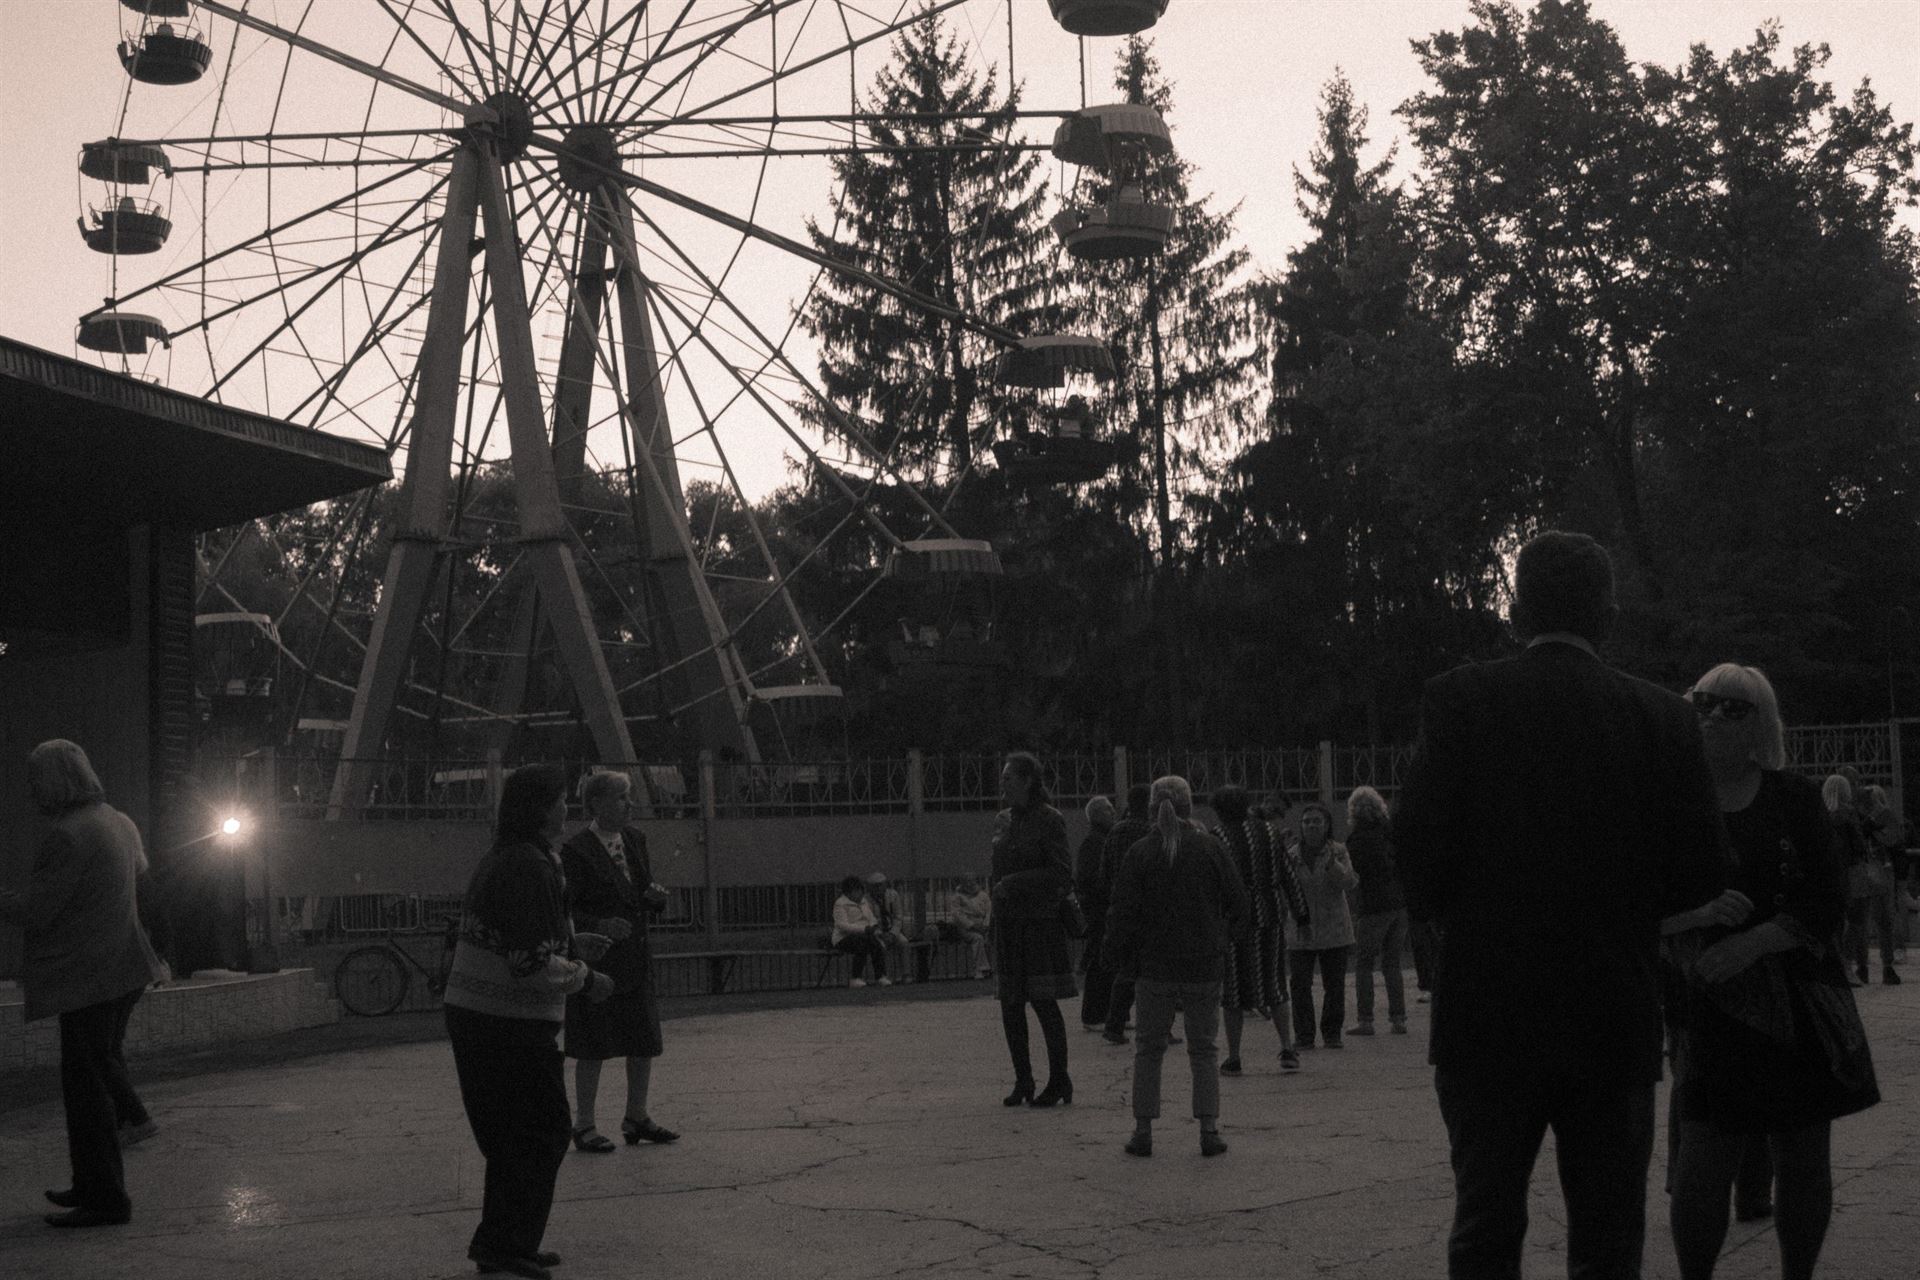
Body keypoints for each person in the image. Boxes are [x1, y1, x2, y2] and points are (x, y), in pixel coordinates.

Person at [1394, 530, 1731, 1279]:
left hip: (1486, 1008)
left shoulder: (1459, 700)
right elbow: (1703, 870)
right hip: (1611, 1007)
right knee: (1609, 1233)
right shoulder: (1662, 718)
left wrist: (1468, 913)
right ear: (1609, 618)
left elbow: (1416, 851)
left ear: (1516, 614)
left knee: (1484, 1224)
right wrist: (1627, 910)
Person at [1668, 665, 1879, 1280]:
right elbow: (1634, 898)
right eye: (1703, 701)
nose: (1712, 715)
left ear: (1760, 724)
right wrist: (1698, 917)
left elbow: (1827, 899)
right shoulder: (1673, 801)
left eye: (1732, 707)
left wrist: (1754, 942)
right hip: (1711, 1000)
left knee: (1804, 1157)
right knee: (1703, 1157)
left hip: (1798, 1000)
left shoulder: (1794, 797)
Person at [443, 764, 615, 1280]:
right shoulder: (528, 866)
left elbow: (524, 937)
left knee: (513, 1135)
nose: (567, 809)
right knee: (543, 1131)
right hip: (505, 1022)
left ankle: (503, 1243)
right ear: (540, 809)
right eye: (560, 800)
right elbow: (529, 963)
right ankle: (507, 1243)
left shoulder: (517, 857)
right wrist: (587, 978)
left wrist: (572, 945)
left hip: (484, 1017)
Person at [0, 740, 167, 1229]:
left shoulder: (67, 835)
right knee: (91, 1081)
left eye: (36, 779)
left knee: (86, 1092)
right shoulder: (112, 820)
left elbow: (39, 910)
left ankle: (105, 1198)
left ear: (55, 780)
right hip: (117, 970)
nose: (31, 789)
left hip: (87, 978)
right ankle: (92, 1186)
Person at [1105, 775, 1250, 1157]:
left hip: (1155, 965)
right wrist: (1222, 938)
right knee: (1204, 1050)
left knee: (1148, 1050)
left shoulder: (1140, 852)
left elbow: (1122, 911)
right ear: (1190, 806)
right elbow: (1240, 902)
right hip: (1203, 963)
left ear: (1152, 809)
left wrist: (1120, 957)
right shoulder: (1210, 847)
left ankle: (1143, 1131)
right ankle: (1208, 1129)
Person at [559, 771, 677, 1154]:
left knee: (642, 1039)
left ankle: (636, 1115)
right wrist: (598, 924)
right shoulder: (576, 850)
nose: (630, 804)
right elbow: (566, 910)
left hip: (635, 957)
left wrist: (655, 899)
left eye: (629, 797)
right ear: (596, 804)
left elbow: (641, 890)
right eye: (622, 797)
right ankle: (584, 1123)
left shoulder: (635, 839)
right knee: (592, 1042)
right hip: (599, 960)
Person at [990, 752, 1075, 1107]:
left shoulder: (1050, 820)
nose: (1003, 784)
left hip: (1039, 923)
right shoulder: (1004, 820)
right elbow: (996, 870)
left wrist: (1015, 882)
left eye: (1009, 778)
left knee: (1043, 1002)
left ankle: (1059, 1080)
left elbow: (1061, 873)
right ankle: (1023, 1079)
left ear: (1028, 781)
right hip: (1009, 923)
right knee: (1011, 1004)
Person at [1209, 784, 1303, 1074]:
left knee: (1233, 991)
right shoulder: (1270, 832)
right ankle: (1287, 1047)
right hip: (1269, 915)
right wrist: (1302, 914)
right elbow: (1289, 876)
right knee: (1274, 984)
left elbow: (1211, 882)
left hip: (1233, 921)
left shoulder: (1216, 837)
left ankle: (1234, 1057)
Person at [1285, 803, 1357, 1050]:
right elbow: (1283, 889)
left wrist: (1332, 866)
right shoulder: (1292, 855)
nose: (1312, 826)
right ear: (1301, 826)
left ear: (1327, 825)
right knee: (1300, 984)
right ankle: (1304, 1035)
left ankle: (1332, 1033)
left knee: (1334, 984)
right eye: (1307, 821)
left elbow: (1349, 882)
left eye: (1317, 821)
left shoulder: (1338, 851)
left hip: (1334, 927)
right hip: (1302, 928)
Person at [1344, 785, 1409, 1037]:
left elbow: (1354, 875)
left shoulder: (1357, 840)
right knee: (1392, 963)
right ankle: (1398, 1018)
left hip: (1373, 906)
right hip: (1399, 903)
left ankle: (1366, 1020)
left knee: (1364, 962)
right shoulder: (1391, 833)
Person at [1100, 784, 1153, 1045]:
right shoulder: (1151, 832)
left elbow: (1104, 872)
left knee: (1126, 970)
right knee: (1155, 969)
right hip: (1147, 907)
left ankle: (1115, 1023)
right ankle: (1158, 1026)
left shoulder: (1115, 832)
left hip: (1121, 906)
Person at [1843, 780, 1903, 985]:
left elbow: (1892, 839)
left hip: (1866, 870)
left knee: (1864, 922)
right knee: (1880, 920)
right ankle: (1883, 966)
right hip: (1878, 870)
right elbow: (1894, 840)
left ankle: (1864, 967)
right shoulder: (1872, 817)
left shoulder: (1858, 817)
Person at [1077, 795, 1119, 1029]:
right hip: (1099, 910)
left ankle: (1105, 1013)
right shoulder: (1094, 842)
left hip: (1100, 909)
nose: (1113, 813)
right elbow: (1089, 879)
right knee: (1099, 962)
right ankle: (1093, 1015)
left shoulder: (1100, 840)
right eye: (1108, 809)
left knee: (1106, 962)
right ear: (1096, 815)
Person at [830, 876, 889, 988]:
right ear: (849, 892)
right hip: (843, 938)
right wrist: (864, 929)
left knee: (876, 943)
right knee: (862, 944)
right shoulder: (840, 904)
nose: (861, 894)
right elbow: (842, 925)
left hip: (865, 935)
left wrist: (874, 927)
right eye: (858, 891)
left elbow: (871, 918)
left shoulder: (863, 902)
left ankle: (880, 976)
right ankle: (855, 978)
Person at [865, 872, 914, 983]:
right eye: (875, 886)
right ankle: (884, 975)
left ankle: (906, 974)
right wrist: (880, 934)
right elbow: (869, 921)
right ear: (870, 888)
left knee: (904, 943)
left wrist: (892, 933)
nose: (878, 888)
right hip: (877, 933)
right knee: (880, 947)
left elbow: (898, 917)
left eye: (880, 885)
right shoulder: (866, 900)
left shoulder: (893, 895)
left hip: (892, 930)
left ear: (885, 885)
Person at [946, 876, 993, 978]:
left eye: (972, 880)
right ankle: (980, 969)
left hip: (983, 926)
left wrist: (985, 925)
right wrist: (972, 925)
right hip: (965, 928)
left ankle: (993, 968)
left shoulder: (983, 895)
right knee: (978, 938)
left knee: (991, 938)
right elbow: (957, 915)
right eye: (967, 881)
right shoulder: (957, 896)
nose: (969, 883)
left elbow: (989, 911)